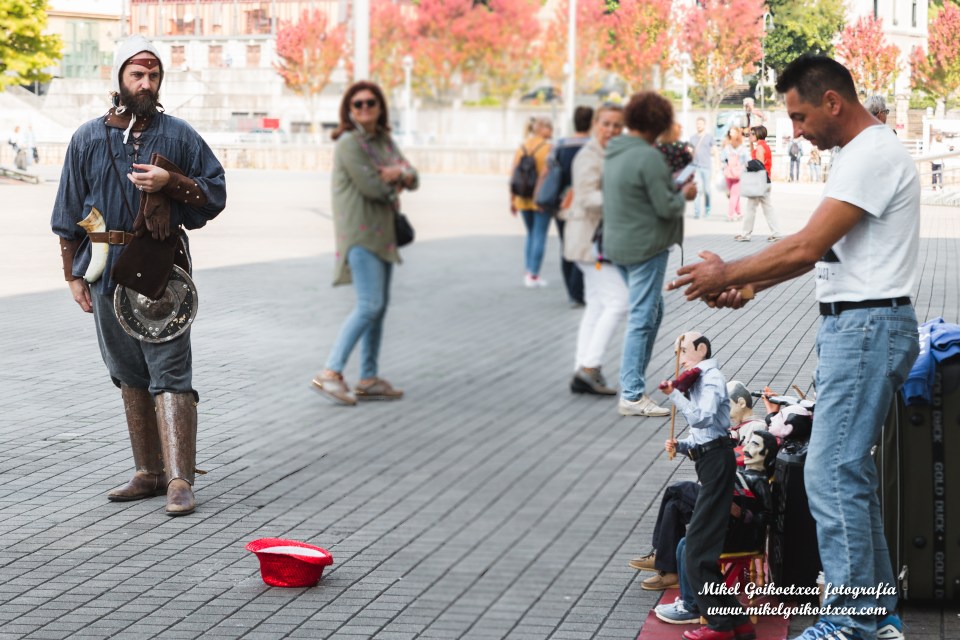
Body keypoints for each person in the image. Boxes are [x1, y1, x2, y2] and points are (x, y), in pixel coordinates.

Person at [668, 54, 918, 640]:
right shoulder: (862, 155)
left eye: (801, 116)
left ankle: (854, 619)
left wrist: (729, 271)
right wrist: (749, 283)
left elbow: (807, 245)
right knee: (846, 474)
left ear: (833, 101)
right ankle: (876, 619)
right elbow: (826, 252)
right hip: (860, 326)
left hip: (866, 327)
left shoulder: (872, 154)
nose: (796, 131)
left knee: (831, 474)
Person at [50, 34, 227, 516]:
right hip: (105, 272)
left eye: (153, 75)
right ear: (119, 78)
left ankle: (178, 480)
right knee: (126, 371)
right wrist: (73, 275)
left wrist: (173, 183)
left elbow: (215, 193)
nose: (146, 82)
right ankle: (148, 472)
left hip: (162, 273)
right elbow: (67, 208)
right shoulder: (88, 137)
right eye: (137, 74)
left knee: (169, 370)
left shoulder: (179, 136)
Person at [311, 81, 418, 407]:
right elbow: (373, 187)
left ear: (380, 106)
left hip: (383, 234)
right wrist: (396, 177)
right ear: (349, 110)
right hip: (359, 235)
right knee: (369, 305)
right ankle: (331, 371)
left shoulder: (384, 140)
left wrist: (398, 173)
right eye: (357, 104)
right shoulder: (349, 143)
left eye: (371, 102)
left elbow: (413, 175)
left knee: (378, 308)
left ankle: (369, 378)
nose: (365, 108)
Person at [603, 92, 696, 417]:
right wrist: (682, 192)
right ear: (658, 122)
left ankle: (634, 385)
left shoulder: (615, 151)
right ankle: (631, 393)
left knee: (652, 311)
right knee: (643, 316)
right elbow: (664, 205)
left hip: (620, 243)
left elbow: (638, 195)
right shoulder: (648, 157)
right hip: (646, 245)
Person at [660, 331, 755, 640]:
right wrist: (683, 445)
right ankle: (736, 621)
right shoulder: (699, 377)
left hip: (717, 465)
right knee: (700, 551)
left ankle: (718, 626)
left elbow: (702, 418)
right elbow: (706, 435)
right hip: (711, 460)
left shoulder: (711, 378)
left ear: (701, 349)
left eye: (684, 351)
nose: (681, 358)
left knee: (697, 551)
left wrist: (675, 394)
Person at [655, 430, 780, 627]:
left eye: (755, 445)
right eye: (748, 443)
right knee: (683, 542)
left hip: (740, 536)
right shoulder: (741, 473)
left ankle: (693, 605)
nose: (746, 448)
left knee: (678, 493)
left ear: (765, 455)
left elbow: (766, 517)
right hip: (724, 526)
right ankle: (690, 602)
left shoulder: (759, 480)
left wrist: (741, 513)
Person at [563, 104, 627, 395]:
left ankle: (583, 368)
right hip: (590, 242)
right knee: (619, 301)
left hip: (592, 241)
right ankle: (590, 367)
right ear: (595, 125)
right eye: (606, 124)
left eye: (617, 125)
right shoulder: (589, 156)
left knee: (597, 305)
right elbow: (588, 197)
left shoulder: (606, 153)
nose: (611, 130)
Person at [551, 106, 593, 306]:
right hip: (585, 205)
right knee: (584, 246)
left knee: (566, 246)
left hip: (562, 203)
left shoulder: (560, 146)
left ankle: (571, 290)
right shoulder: (594, 147)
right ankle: (578, 291)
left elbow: (550, 171)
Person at [511, 118, 553, 287]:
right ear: (542, 129)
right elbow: (550, 174)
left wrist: (512, 199)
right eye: (550, 127)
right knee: (539, 235)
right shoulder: (548, 148)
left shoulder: (521, 147)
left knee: (530, 234)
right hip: (541, 199)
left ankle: (528, 271)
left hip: (522, 197)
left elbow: (512, 173)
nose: (552, 131)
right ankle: (534, 275)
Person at [736, 125, 782, 243]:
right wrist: (750, 141)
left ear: (758, 134)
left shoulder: (760, 148)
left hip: (760, 183)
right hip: (765, 182)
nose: (749, 136)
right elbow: (753, 154)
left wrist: (746, 164)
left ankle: (746, 234)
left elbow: (759, 164)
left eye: (752, 134)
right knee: (767, 208)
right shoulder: (762, 146)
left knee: (751, 208)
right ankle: (776, 233)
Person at [689, 116, 713, 219]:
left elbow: (715, 151)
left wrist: (717, 167)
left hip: (706, 167)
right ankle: (697, 212)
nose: (699, 125)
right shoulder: (692, 138)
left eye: (700, 124)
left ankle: (707, 209)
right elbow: (690, 151)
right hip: (696, 167)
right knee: (697, 190)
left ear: (704, 125)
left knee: (707, 190)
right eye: (697, 124)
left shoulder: (709, 137)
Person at [720, 128, 747, 222]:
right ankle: (736, 213)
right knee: (734, 195)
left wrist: (725, 167)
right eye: (730, 131)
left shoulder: (727, 147)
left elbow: (722, 160)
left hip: (731, 173)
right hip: (735, 174)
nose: (731, 133)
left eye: (733, 131)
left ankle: (733, 214)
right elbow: (747, 161)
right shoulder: (741, 148)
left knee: (734, 195)